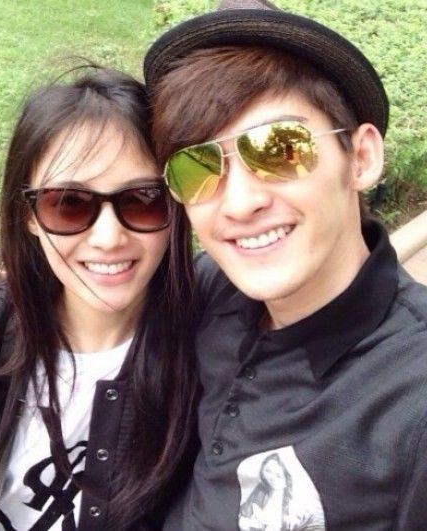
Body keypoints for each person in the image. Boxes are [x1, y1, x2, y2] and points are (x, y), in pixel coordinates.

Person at [143, 0, 427, 528]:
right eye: (196, 168)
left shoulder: (412, 401)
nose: (238, 203)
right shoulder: (211, 288)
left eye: (279, 149)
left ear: (361, 158)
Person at [0, 66, 198, 530]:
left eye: (143, 199)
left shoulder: (210, 345)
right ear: (28, 215)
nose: (109, 239)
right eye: (68, 203)